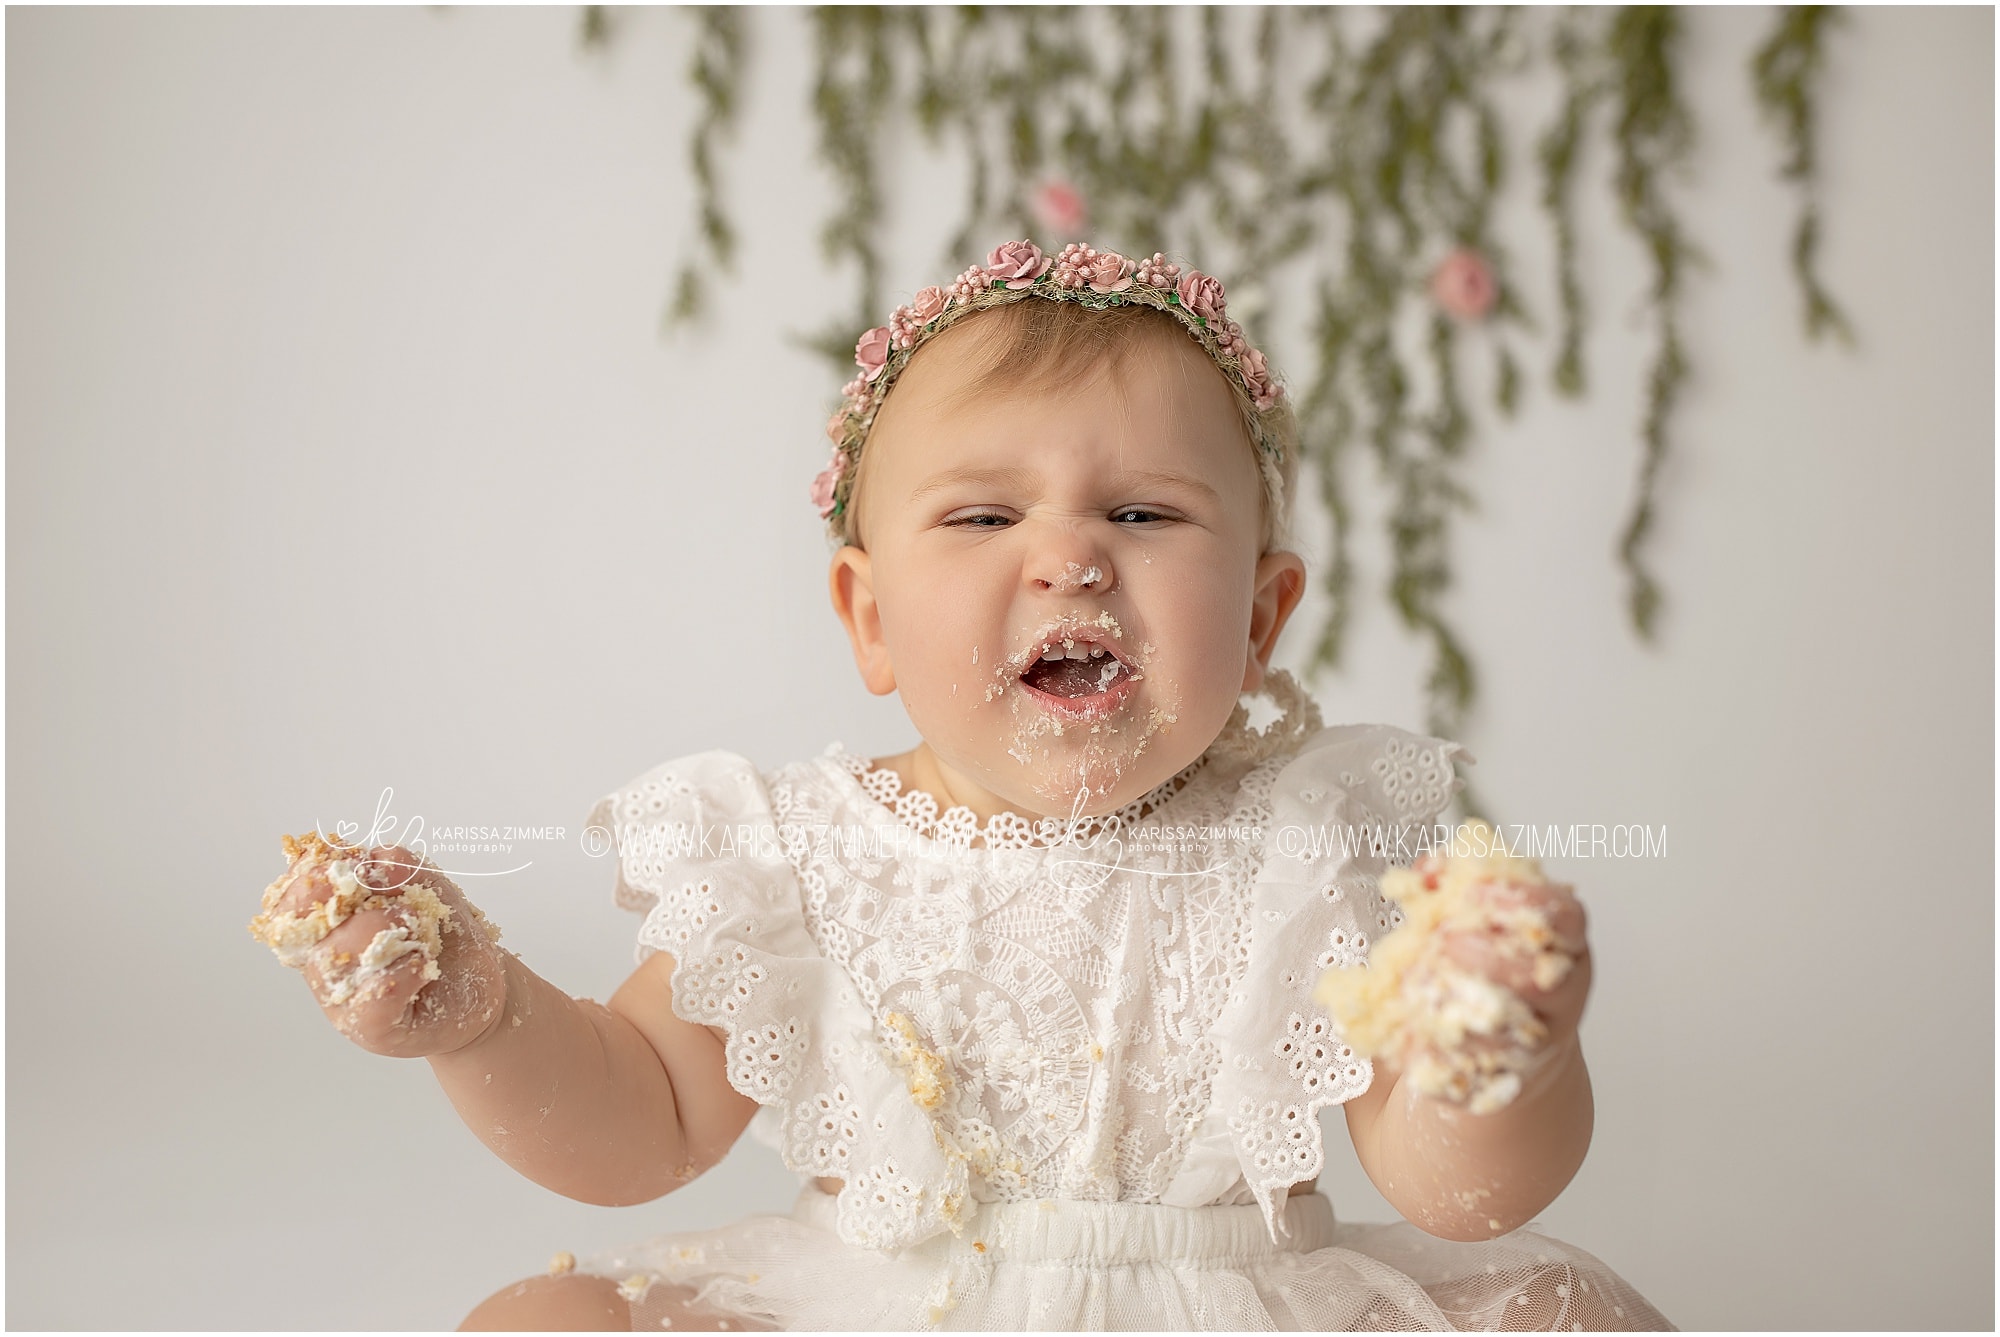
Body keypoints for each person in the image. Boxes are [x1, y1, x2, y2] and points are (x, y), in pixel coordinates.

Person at [257, 240, 1671, 1331]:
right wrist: (482, 1019)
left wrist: (1493, 1057)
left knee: (1572, 1316)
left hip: (1233, 1300)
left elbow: (1453, 1191)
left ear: (1258, 619)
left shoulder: (1306, 841)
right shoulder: (800, 854)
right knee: (539, 1322)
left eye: (1144, 514)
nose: (1070, 558)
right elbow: (643, 1122)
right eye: (985, 515)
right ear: (868, 618)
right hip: (886, 1300)